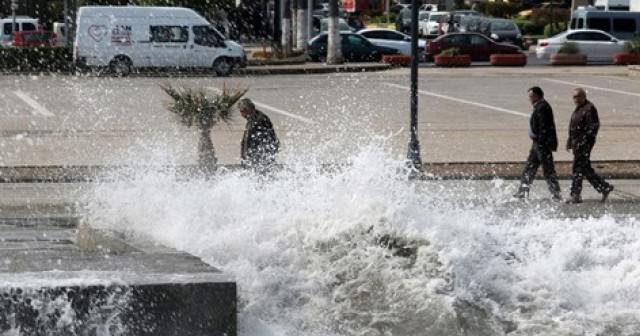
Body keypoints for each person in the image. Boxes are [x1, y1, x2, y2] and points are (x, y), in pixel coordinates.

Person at [565, 88, 614, 204]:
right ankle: (604, 187)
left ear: (583, 96)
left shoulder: (589, 108)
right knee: (585, 169)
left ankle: (575, 195)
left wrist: (583, 141)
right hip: (577, 144)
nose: (575, 100)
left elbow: (593, 127)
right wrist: (570, 140)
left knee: (577, 168)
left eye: (578, 97)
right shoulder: (579, 108)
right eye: (574, 97)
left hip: (584, 145)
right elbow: (574, 126)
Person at [514, 87, 562, 201]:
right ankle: (522, 191)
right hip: (537, 144)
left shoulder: (543, 107)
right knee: (529, 168)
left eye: (531, 96)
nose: (529, 99)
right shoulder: (539, 106)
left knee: (548, 170)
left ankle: (556, 194)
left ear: (537, 96)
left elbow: (544, 128)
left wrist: (541, 143)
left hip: (542, 145)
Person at [239, 98, 280, 173]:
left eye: (244, 111)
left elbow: (249, 141)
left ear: (251, 109)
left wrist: (246, 158)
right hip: (258, 154)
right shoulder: (252, 118)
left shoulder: (259, 120)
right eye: (241, 111)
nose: (242, 114)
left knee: (262, 174)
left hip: (261, 154)